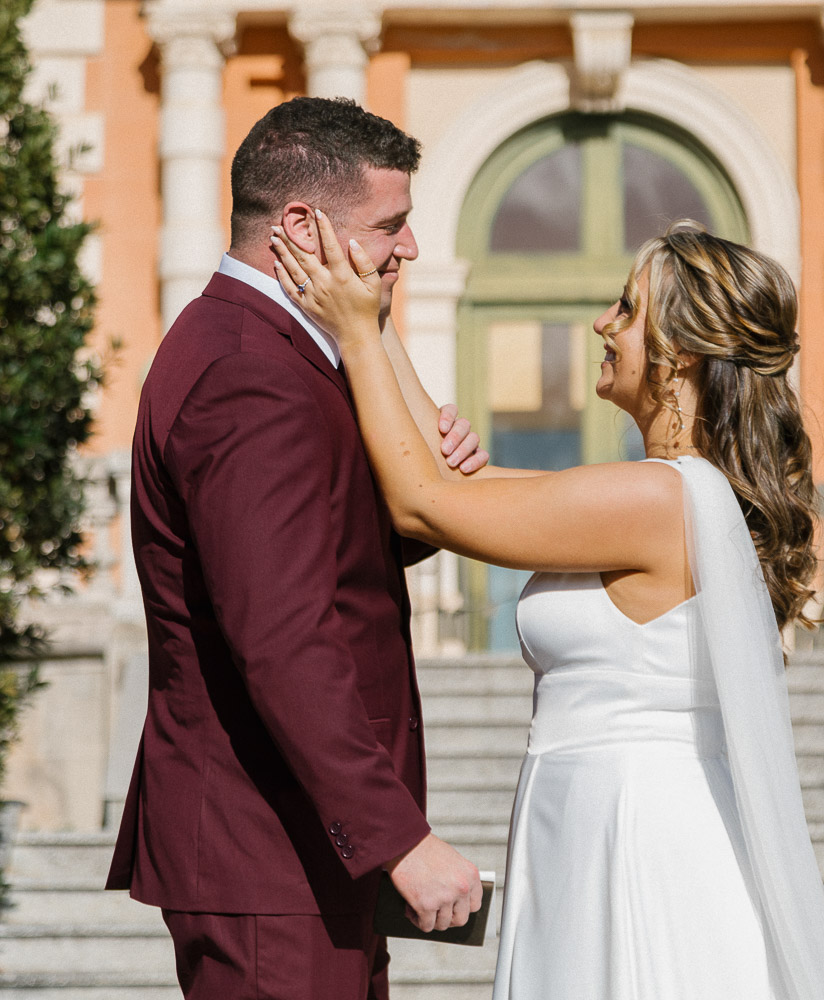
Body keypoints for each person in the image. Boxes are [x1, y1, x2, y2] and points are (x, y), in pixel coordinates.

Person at [270, 215, 824, 1000]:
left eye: (628, 309)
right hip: (592, 809)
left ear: (683, 352)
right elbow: (461, 485)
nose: (603, 323)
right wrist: (379, 312)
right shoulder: (667, 489)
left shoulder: (661, 498)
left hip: (634, 828)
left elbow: (425, 507)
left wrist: (352, 335)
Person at [106, 97, 488, 1000]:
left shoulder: (278, 351)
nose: (411, 249)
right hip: (267, 854)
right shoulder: (248, 372)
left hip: (297, 852)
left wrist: (424, 485)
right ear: (302, 226)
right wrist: (397, 837)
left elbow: (321, 557)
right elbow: (280, 634)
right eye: (389, 225)